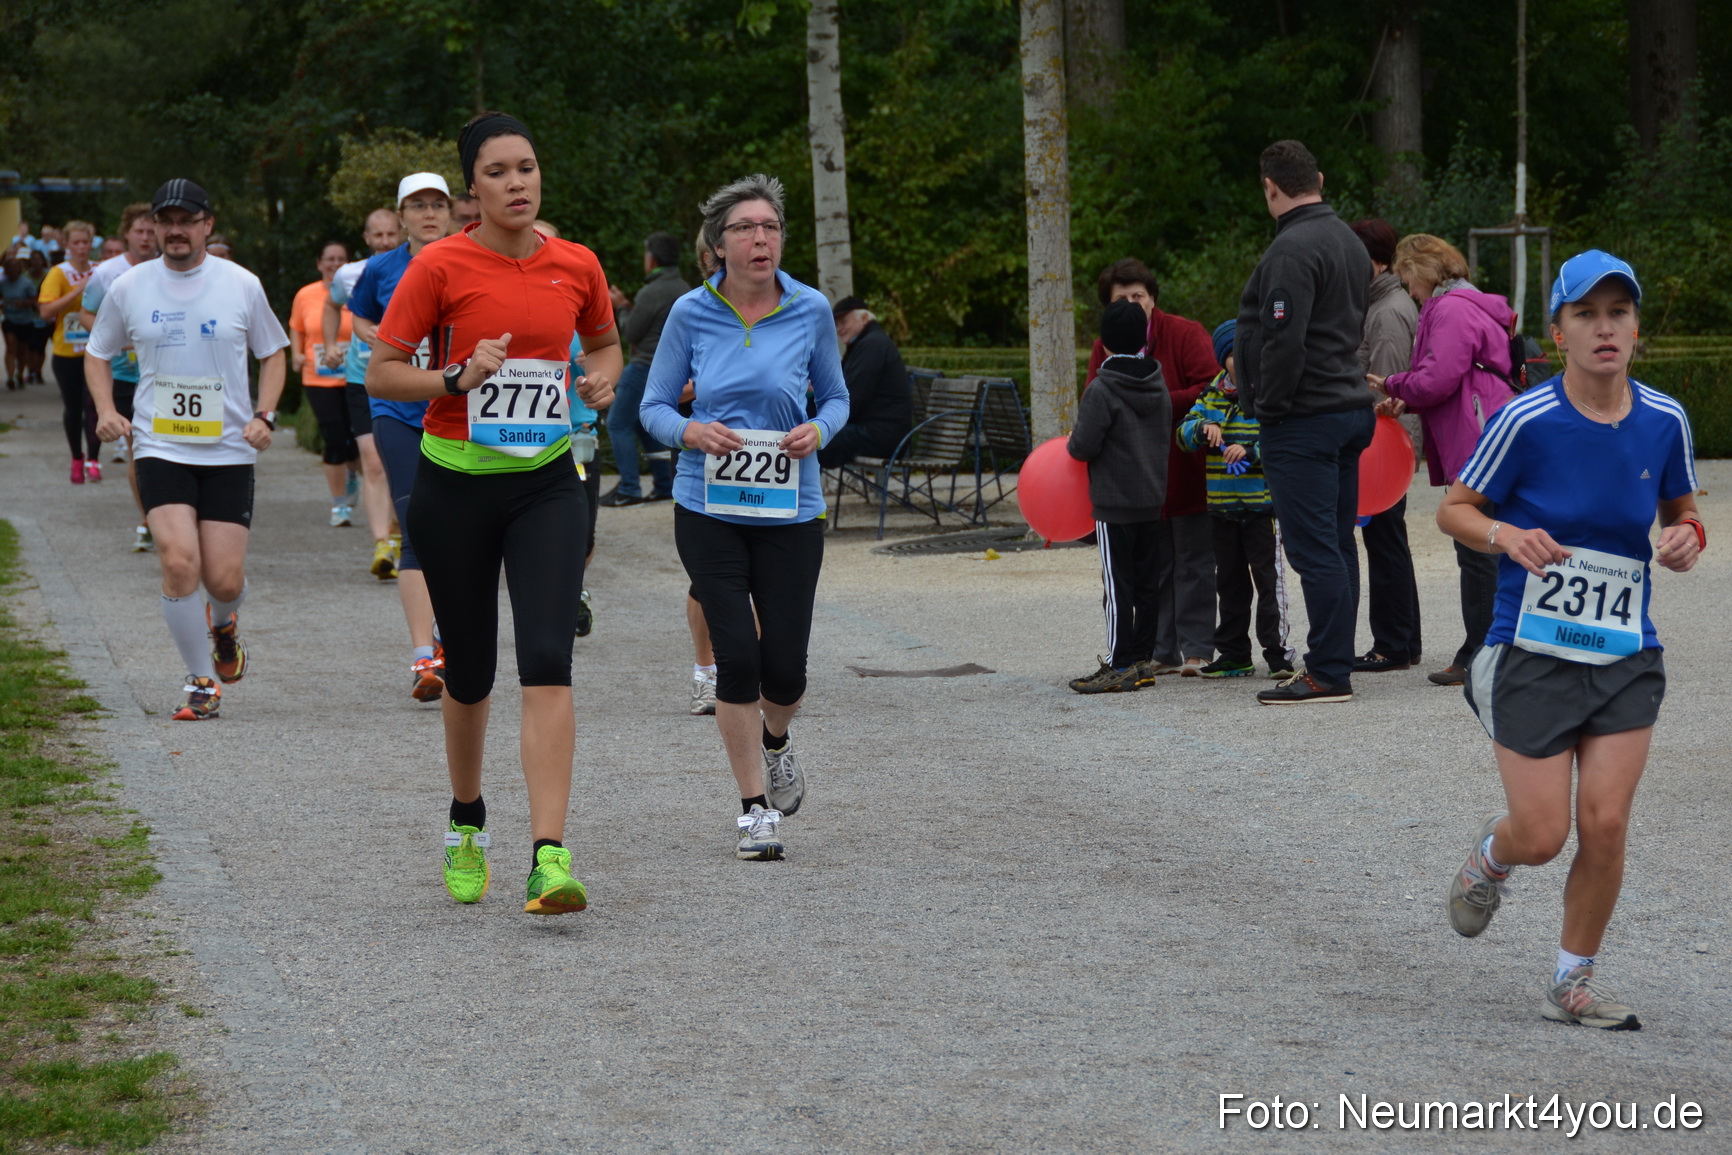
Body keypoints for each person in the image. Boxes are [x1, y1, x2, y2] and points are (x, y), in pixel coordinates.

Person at [1439, 250, 1699, 1030]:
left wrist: (1688, 536)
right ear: (1558, 333)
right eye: (1586, 314)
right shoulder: (1527, 419)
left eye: (1618, 313)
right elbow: (1455, 507)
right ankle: (1493, 854)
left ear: (1637, 328)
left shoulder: (1666, 418)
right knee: (1544, 834)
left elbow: (1681, 509)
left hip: (1624, 652)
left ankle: (1571, 979)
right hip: (1534, 649)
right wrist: (1506, 535)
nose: (1605, 328)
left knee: (1608, 821)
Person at [368, 112, 619, 915]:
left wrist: (602, 381)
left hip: (546, 481)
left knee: (548, 654)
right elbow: (379, 373)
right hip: (454, 488)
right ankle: (467, 815)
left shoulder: (575, 263)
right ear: (471, 188)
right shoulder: (440, 266)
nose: (518, 182)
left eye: (528, 167)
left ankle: (550, 855)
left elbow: (605, 343)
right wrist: (453, 379)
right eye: (500, 171)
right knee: (469, 672)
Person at [639, 173, 850, 862]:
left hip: (791, 506)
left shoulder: (811, 308)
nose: (761, 239)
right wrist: (690, 433)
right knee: (738, 655)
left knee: (785, 670)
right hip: (709, 505)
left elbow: (838, 400)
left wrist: (817, 431)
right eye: (745, 228)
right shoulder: (690, 314)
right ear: (717, 244)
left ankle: (777, 738)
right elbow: (653, 407)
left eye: (771, 227)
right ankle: (753, 809)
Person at [86, 179, 290, 721]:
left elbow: (274, 353)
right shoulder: (130, 286)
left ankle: (223, 626)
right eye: (165, 221)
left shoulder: (241, 284)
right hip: (159, 446)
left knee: (223, 580)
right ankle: (201, 681)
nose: (175, 230)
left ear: (207, 225)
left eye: (187, 220)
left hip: (227, 451)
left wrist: (265, 416)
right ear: (153, 228)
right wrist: (108, 411)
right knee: (180, 563)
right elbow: (96, 351)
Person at [1235, 140, 1375, 705]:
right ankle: (1335, 662)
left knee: (1314, 549)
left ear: (1270, 187)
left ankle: (1327, 672)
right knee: (1337, 545)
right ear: (1317, 177)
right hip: (1346, 406)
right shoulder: (1348, 241)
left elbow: (1284, 341)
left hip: (1305, 416)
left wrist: (1268, 409)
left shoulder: (1291, 250)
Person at [1369, 233, 1517, 687]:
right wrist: (1408, 401)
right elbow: (1451, 378)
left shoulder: (1451, 309)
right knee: (1486, 545)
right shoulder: (1468, 305)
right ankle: (1492, 647)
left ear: (1424, 271)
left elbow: (1439, 378)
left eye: (1409, 280)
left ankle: (1481, 652)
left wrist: (1394, 385)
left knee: (1476, 548)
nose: (1410, 292)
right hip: (1484, 427)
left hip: (1474, 437)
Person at [351, 174, 459, 703]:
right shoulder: (381, 267)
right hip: (398, 410)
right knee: (418, 521)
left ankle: (447, 633)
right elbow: (359, 314)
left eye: (437, 204)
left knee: (460, 532)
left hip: (459, 410)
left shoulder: (470, 258)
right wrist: (370, 333)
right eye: (417, 205)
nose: (429, 214)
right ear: (400, 215)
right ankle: (424, 655)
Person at [1084, 258, 1219, 676]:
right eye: (1121, 298)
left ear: (1153, 299)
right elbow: (1094, 396)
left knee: (1194, 560)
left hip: (1186, 465)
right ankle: (1158, 651)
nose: (1132, 303)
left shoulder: (1185, 333)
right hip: (1136, 477)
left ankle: (1196, 650)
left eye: (1138, 296)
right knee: (1153, 568)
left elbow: (1211, 386)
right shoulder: (1103, 346)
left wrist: (1162, 405)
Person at [1176, 320, 1296, 679]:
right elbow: (1183, 434)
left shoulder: (1268, 394)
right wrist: (1201, 429)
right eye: (1232, 354)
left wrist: (1252, 450)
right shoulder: (1210, 396)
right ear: (1223, 358)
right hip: (1222, 509)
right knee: (1228, 582)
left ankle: (1277, 653)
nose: (1239, 360)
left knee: (1268, 582)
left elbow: (1283, 440)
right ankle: (1233, 653)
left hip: (1260, 509)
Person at [1065, 300, 1171, 694]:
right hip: (1151, 498)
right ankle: (1142, 660)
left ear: (1104, 343)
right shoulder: (1157, 382)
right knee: (1146, 585)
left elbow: (1083, 447)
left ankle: (1118, 662)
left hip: (1113, 502)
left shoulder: (1102, 387)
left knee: (1116, 586)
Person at [1350, 217, 1423, 674]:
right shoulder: (1384, 304)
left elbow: (1388, 394)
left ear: (1372, 261)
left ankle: (1392, 643)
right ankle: (1404, 640)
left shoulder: (1388, 311)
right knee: (1389, 540)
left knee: (1385, 541)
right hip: (1387, 448)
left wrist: (1375, 453)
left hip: (1385, 448)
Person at [323, 207, 404, 572]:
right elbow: (331, 304)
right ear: (367, 238)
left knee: (401, 463)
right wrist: (329, 344)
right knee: (373, 463)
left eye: (391, 234)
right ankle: (381, 546)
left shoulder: (422, 265)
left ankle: (401, 531)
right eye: (378, 235)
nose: (385, 241)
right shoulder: (351, 273)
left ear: (400, 233)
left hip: (407, 377)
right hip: (362, 378)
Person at [78, 203, 161, 550]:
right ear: (126, 233)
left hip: (167, 378)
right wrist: (112, 335)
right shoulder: (107, 273)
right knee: (139, 449)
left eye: (149, 231)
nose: (144, 238)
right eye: (138, 231)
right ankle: (147, 519)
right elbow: (85, 314)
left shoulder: (171, 268)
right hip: (124, 375)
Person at [600, 231, 688, 506]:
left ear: (651, 257)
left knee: (617, 424)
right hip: (671, 369)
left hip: (643, 366)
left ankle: (629, 489)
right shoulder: (683, 288)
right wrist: (627, 304)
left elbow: (632, 333)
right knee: (643, 424)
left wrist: (620, 309)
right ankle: (663, 484)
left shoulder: (652, 291)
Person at [289, 242, 358, 526]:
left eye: (341, 259)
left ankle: (353, 475)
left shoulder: (358, 291)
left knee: (355, 439)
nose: (335, 264)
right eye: (329, 259)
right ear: (319, 264)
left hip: (355, 376)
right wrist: (294, 353)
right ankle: (339, 505)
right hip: (318, 378)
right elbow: (296, 326)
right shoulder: (306, 294)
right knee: (333, 438)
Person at [37, 220, 101, 483]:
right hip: (66, 352)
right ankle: (76, 457)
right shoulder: (58, 273)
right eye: (76, 242)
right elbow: (45, 312)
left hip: (95, 350)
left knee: (96, 406)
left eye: (86, 242)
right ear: (66, 244)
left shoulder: (100, 270)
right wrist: (78, 289)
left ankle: (94, 459)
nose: (82, 248)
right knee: (74, 408)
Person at [821, 296, 913, 468]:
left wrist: (821, 421)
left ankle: (803, 495)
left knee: (811, 441)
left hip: (882, 436)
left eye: (843, 322)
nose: (839, 329)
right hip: (873, 431)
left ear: (864, 318)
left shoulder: (872, 345)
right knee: (810, 436)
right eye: (836, 323)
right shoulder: (865, 343)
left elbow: (852, 398)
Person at [2, 256, 39, 390]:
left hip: (25, 320)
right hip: (9, 319)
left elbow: (34, 300)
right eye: (9, 268)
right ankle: (10, 377)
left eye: (14, 268)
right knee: (11, 346)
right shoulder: (3, 283)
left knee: (22, 349)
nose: (12, 270)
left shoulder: (26, 283)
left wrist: (23, 303)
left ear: (19, 270)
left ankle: (19, 374)